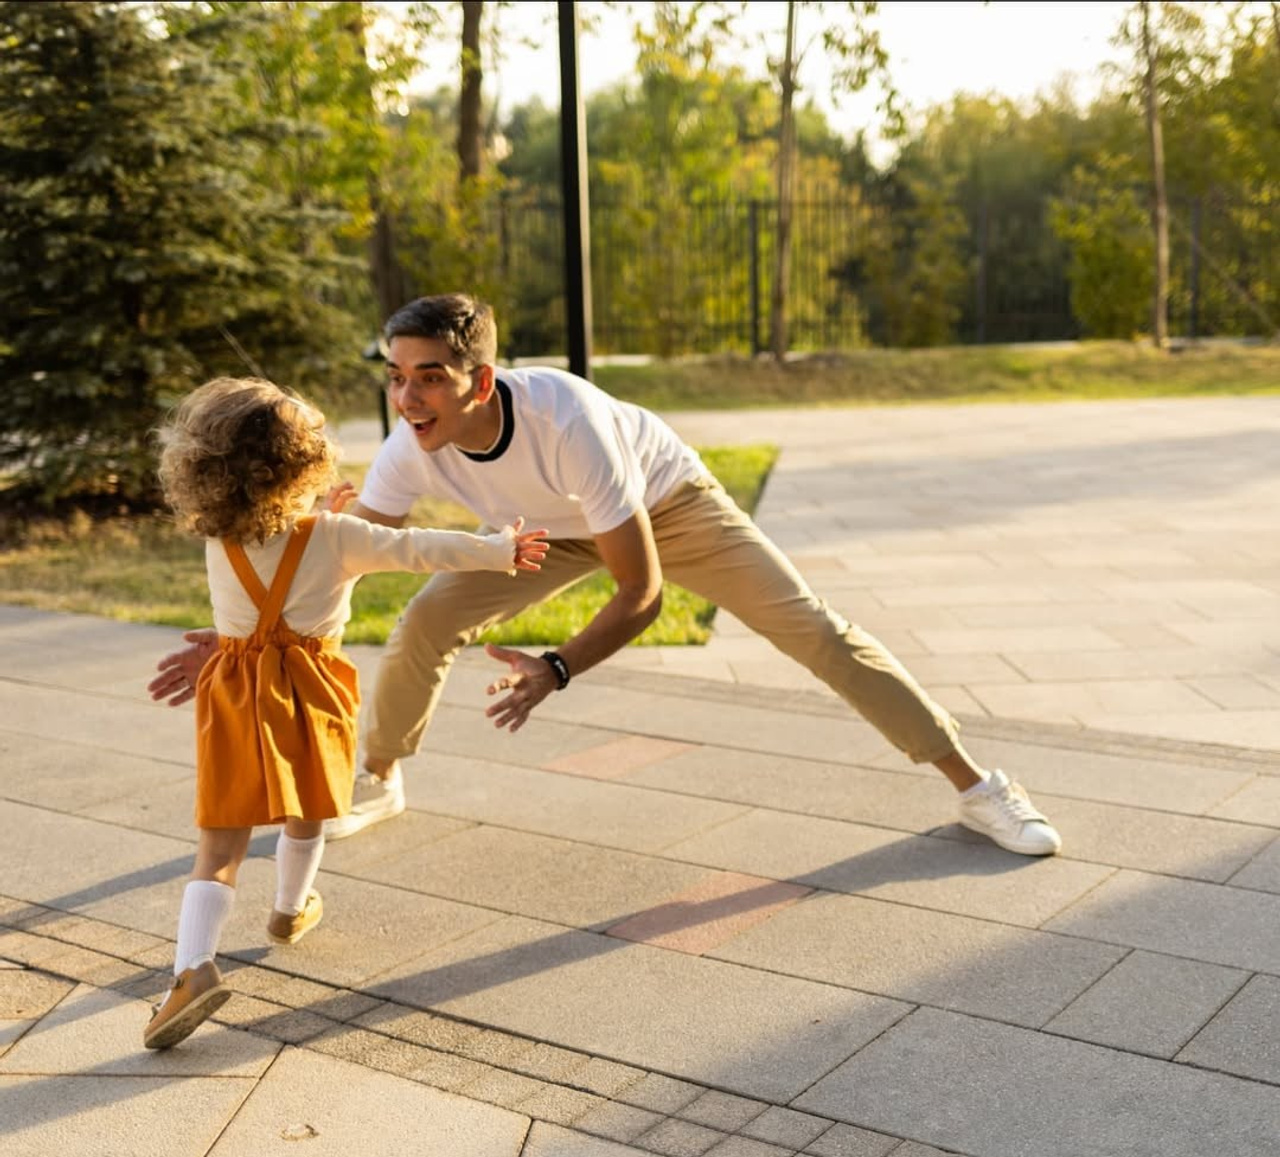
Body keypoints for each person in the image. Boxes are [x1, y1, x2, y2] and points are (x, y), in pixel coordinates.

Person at [155, 294, 1062, 861]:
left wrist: (554, 669)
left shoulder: (567, 421)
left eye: (430, 377)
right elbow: (342, 561)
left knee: (817, 634)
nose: (408, 398)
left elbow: (642, 593)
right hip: (536, 534)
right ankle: (383, 775)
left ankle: (979, 789)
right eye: (397, 377)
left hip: (661, 510)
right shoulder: (407, 451)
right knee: (425, 621)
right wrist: (250, 636)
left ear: (482, 379)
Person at [142, 376, 547, 1050]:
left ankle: (191, 969)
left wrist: (320, 513)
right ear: (303, 464)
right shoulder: (338, 537)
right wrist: (496, 550)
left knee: (220, 843)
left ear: (207, 471)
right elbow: (419, 549)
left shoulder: (221, 539)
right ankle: (289, 911)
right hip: (315, 691)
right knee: (310, 807)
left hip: (237, 689)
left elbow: (276, 565)